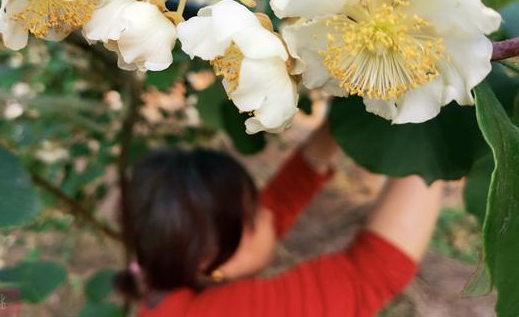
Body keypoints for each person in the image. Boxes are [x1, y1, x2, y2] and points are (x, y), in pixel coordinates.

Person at [116, 122, 443, 317]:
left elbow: (281, 201)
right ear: (209, 262)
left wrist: (345, 112)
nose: (268, 213)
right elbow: (371, 273)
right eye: (254, 215)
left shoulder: (170, 274)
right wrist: (432, 125)